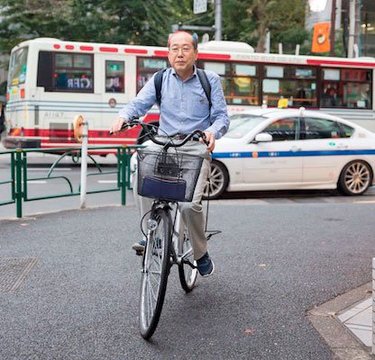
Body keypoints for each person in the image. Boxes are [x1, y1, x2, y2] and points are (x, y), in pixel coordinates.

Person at [111, 31, 229, 277]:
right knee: (141, 173)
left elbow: (221, 117)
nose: (180, 53)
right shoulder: (160, 79)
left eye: (186, 48)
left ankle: (200, 252)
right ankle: (151, 235)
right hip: (163, 143)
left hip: (195, 147)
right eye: (174, 48)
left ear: (195, 53)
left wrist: (212, 132)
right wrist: (123, 117)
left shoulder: (210, 80)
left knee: (188, 206)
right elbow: (138, 105)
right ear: (168, 53)